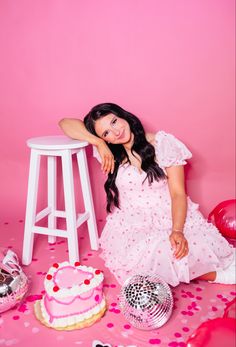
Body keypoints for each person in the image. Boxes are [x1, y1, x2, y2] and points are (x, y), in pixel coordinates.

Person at [59, 103, 235, 287]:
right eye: (106, 133)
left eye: (114, 122)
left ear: (123, 116)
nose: (116, 131)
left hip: (171, 214)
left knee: (186, 248)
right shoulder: (109, 154)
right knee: (149, 259)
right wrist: (98, 143)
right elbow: (64, 123)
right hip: (132, 224)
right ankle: (214, 275)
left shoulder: (163, 143)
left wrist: (177, 231)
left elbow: (177, 194)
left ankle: (207, 269)